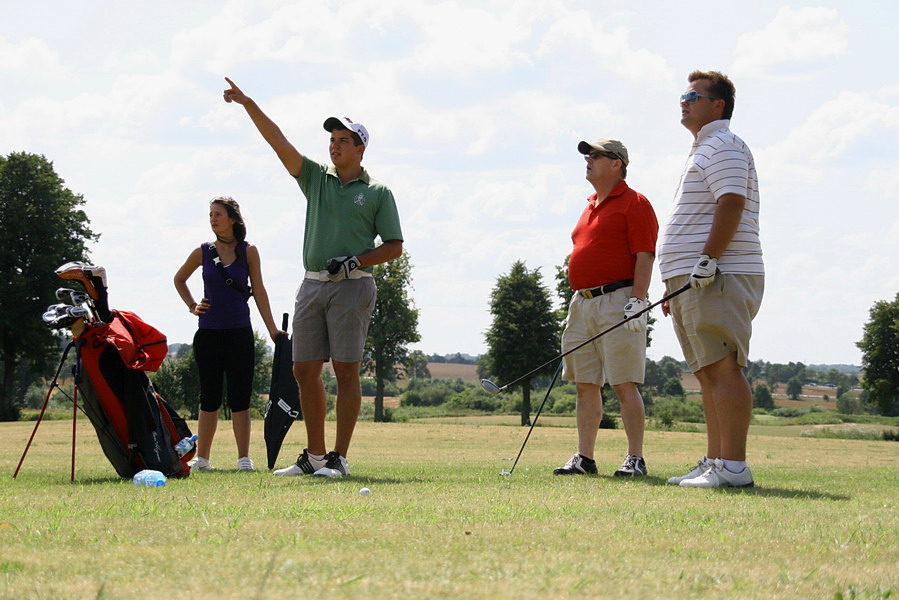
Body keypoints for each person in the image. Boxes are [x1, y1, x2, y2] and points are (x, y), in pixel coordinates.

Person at [223, 77, 403, 478]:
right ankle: (316, 457)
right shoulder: (316, 178)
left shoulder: (377, 191)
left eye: (343, 139)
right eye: (332, 139)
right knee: (303, 369)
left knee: (345, 370)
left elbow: (394, 246)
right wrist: (249, 103)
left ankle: (338, 458)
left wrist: (354, 262)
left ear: (360, 148)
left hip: (353, 287)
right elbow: (279, 143)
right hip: (311, 284)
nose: (334, 145)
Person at [659, 70, 764, 488]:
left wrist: (707, 259)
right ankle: (716, 461)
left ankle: (734, 467)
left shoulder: (723, 144)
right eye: (682, 94)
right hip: (693, 277)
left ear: (717, 105)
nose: (683, 101)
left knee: (723, 367)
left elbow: (732, 203)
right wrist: (674, 280)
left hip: (719, 272)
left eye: (692, 95)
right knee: (706, 372)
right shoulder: (704, 147)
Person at [553, 138, 658, 478]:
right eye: (588, 155)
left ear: (617, 163)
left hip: (619, 301)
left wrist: (638, 300)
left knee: (623, 382)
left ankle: (635, 458)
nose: (588, 160)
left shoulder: (635, 202)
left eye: (596, 155)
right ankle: (585, 458)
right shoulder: (589, 205)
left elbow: (645, 253)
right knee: (585, 383)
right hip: (582, 302)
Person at [174, 196, 282, 472]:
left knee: (240, 398)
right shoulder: (202, 251)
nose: (212, 219)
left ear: (232, 218)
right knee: (208, 398)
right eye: (210, 214)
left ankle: (243, 458)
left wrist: (272, 329)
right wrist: (192, 306)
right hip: (208, 333)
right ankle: (204, 458)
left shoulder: (249, 251)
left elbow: (259, 290)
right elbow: (179, 279)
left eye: (218, 214)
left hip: (239, 333)